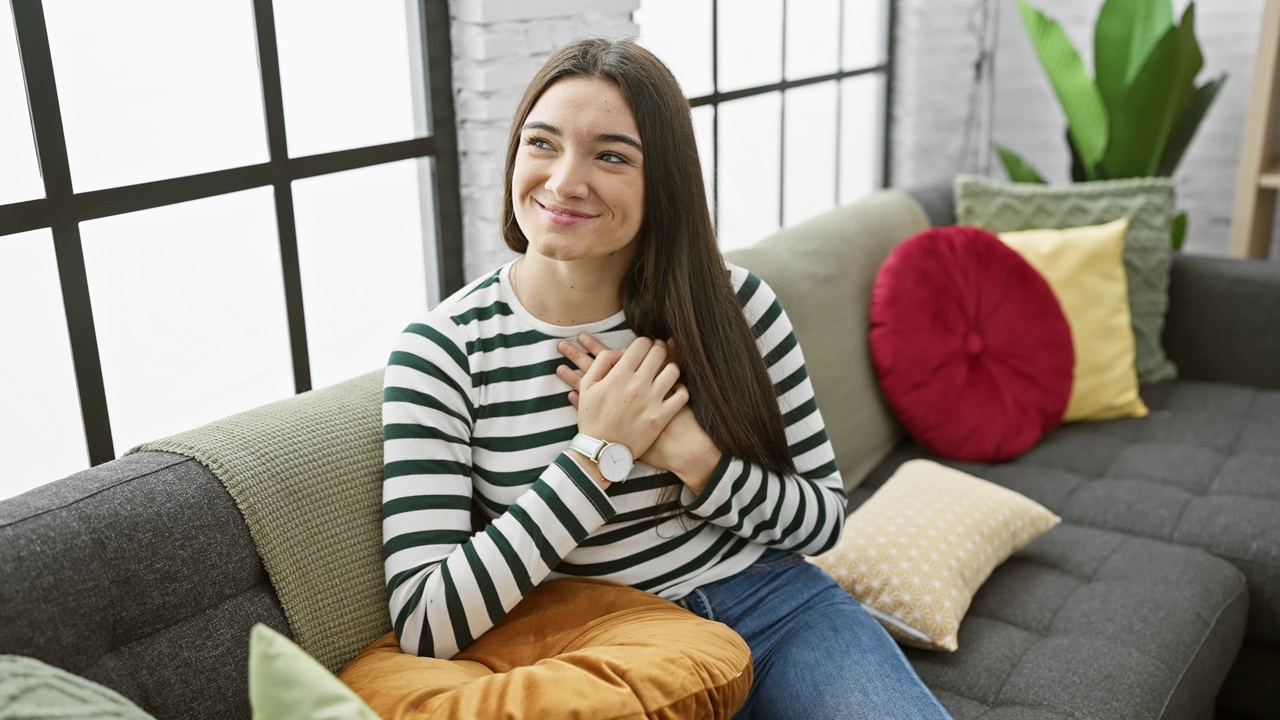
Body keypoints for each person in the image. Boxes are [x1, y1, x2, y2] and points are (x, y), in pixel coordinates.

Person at [381, 36, 951, 719]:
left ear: (665, 182)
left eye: (611, 155)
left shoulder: (736, 307)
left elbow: (822, 520)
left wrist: (690, 455)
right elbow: (425, 620)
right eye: (542, 143)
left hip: (773, 609)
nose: (564, 181)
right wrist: (597, 455)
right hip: (601, 648)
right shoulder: (443, 351)